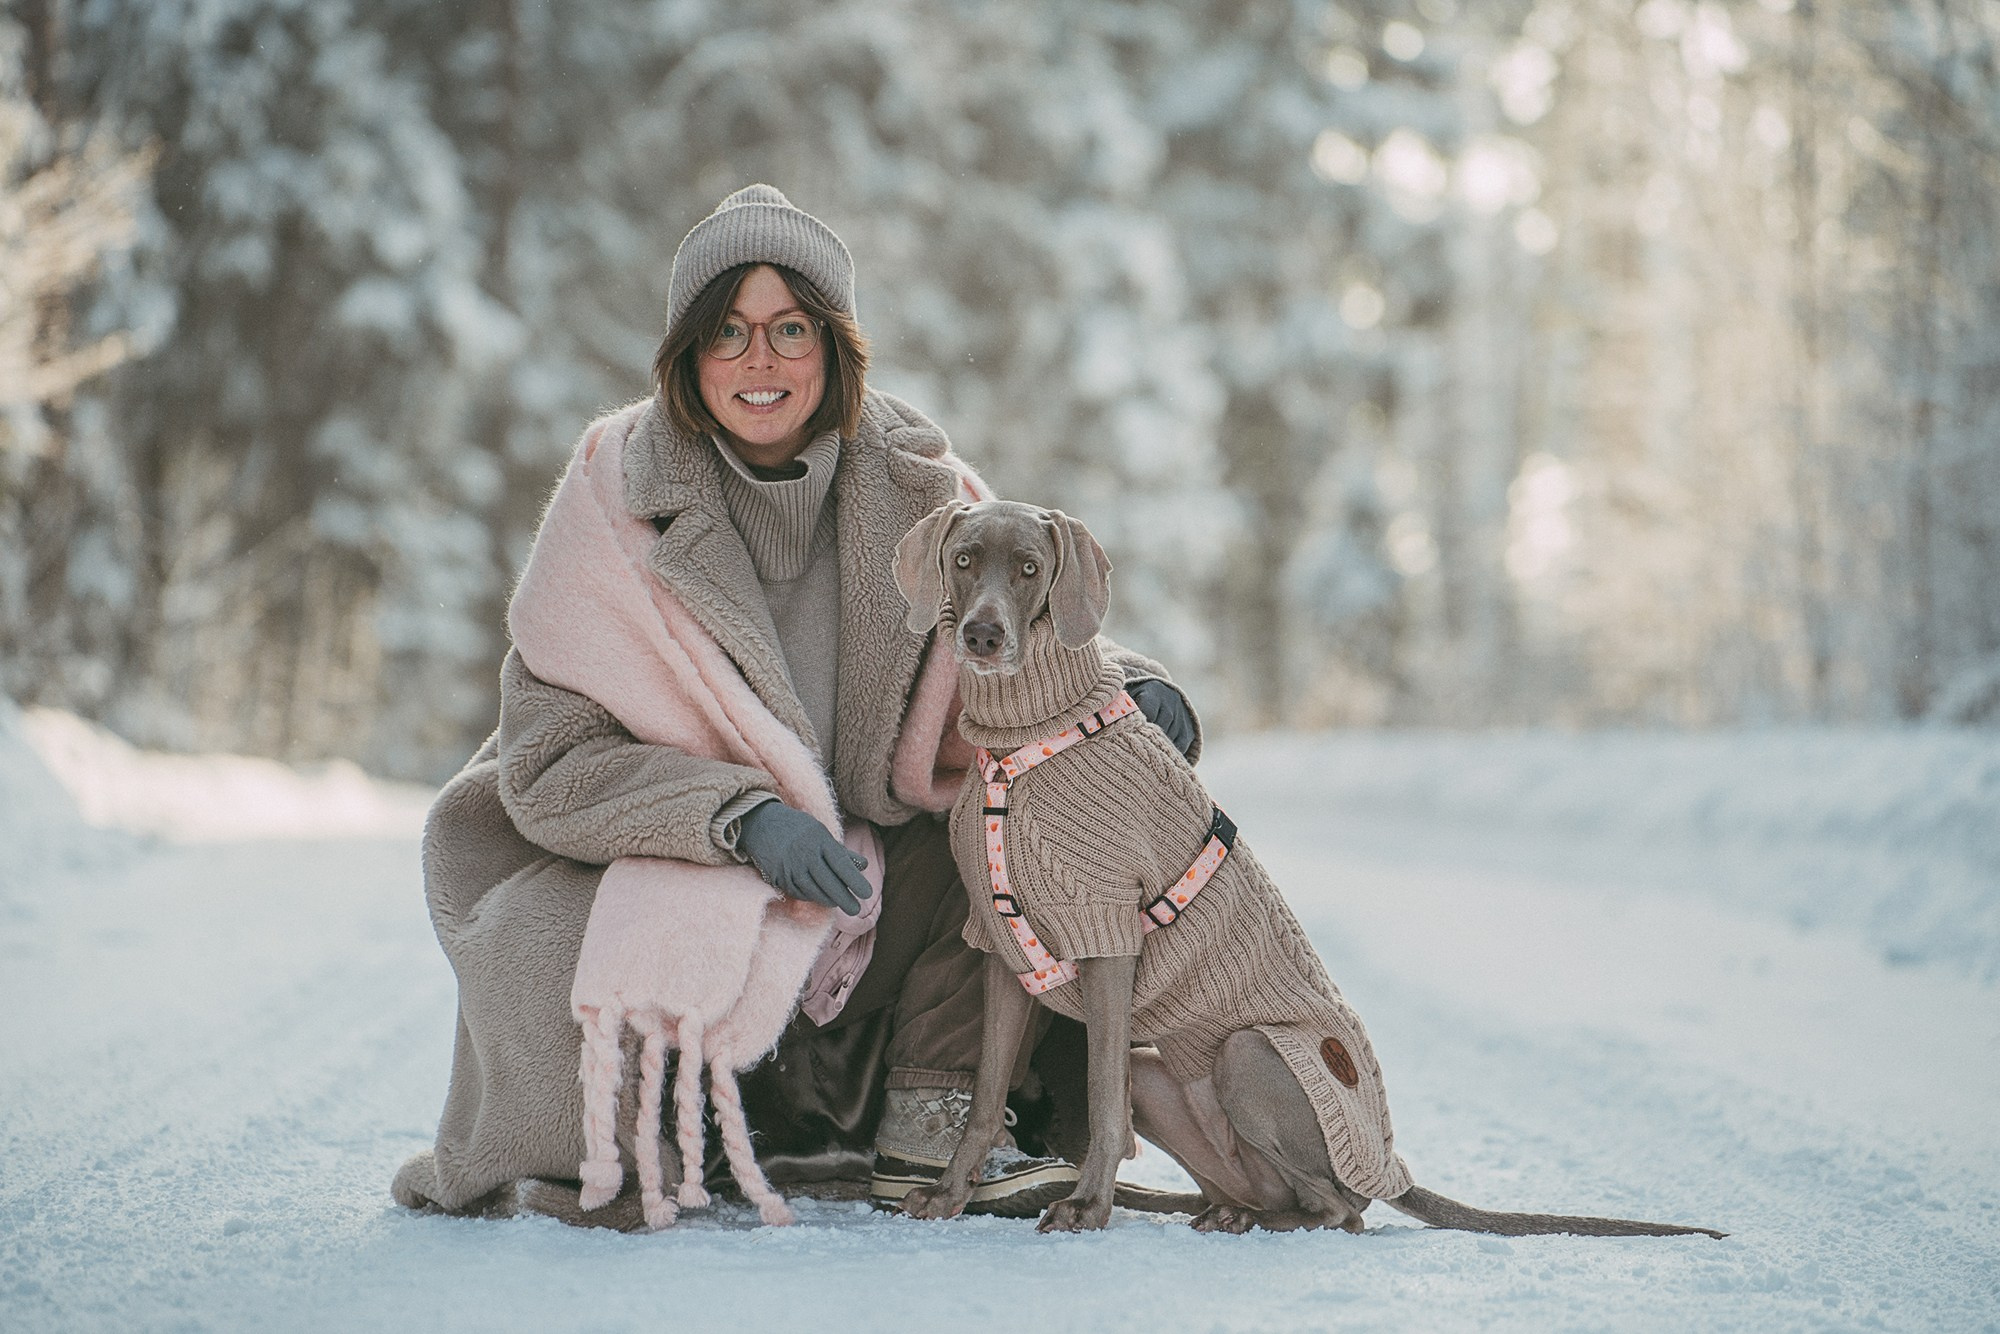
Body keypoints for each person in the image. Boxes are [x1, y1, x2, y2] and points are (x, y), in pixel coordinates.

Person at [390, 185, 1199, 1226]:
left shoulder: (915, 485)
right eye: (725, 333)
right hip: (692, 869)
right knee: (559, 922)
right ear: (687, 359)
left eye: (788, 330)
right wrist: (736, 816)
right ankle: (670, 1129)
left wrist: (1133, 684)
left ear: (833, 352)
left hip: (883, 891)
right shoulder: (609, 502)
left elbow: (1011, 610)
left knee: (1018, 822)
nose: (758, 361)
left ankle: (937, 1113)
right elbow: (548, 762)